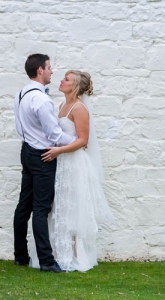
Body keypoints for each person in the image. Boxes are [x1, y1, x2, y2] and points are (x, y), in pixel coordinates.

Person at [32, 70, 114, 272]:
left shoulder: (79, 108)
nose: (61, 80)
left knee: (73, 208)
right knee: (60, 207)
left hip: (74, 164)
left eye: (66, 79)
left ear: (75, 85)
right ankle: (60, 254)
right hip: (61, 163)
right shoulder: (61, 106)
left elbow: (83, 141)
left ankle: (76, 257)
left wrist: (59, 150)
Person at [13, 54, 76, 273]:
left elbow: (20, 127)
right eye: (49, 67)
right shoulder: (41, 100)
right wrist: (78, 142)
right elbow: (55, 135)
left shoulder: (21, 93)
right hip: (43, 156)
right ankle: (47, 261)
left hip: (27, 150)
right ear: (40, 70)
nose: (52, 71)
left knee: (24, 206)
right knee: (41, 208)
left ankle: (20, 255)